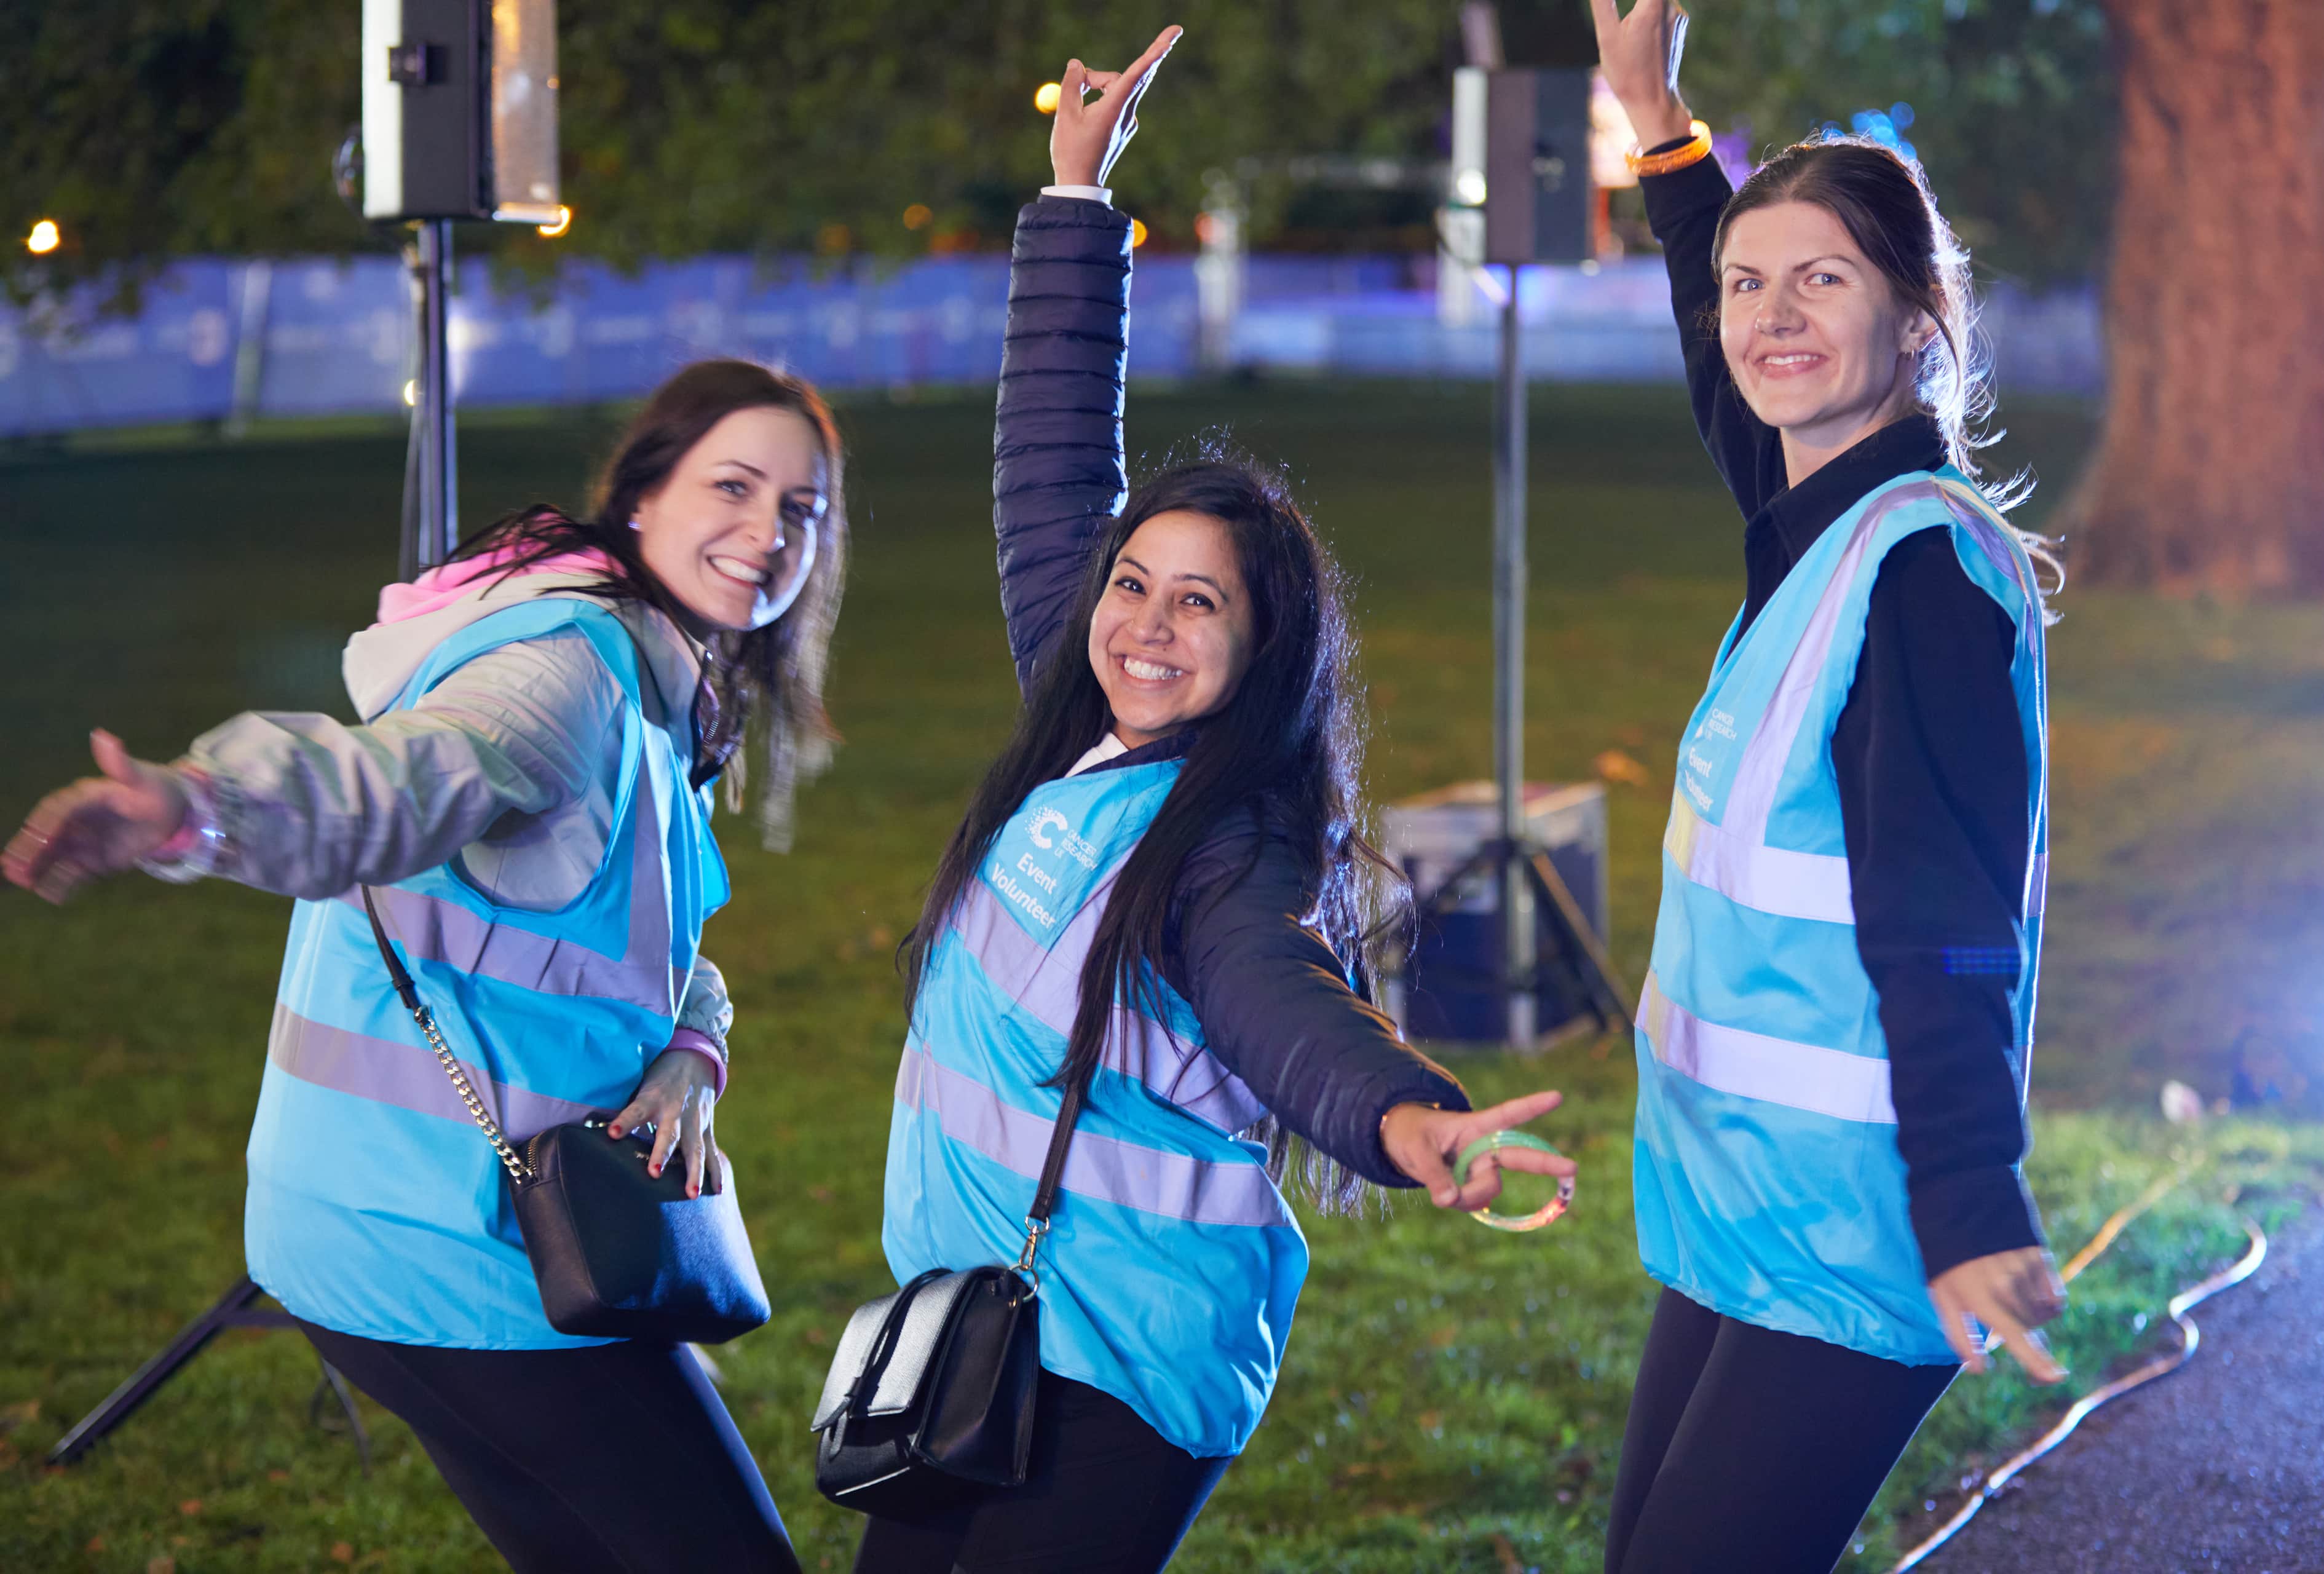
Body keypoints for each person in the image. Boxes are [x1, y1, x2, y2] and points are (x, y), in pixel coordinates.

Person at [852, 26, 1579, 1574]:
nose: (1148, 625)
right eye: (1133, 585)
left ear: (1262, 655)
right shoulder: (1085, 726)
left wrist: (1403, 1118)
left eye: (1203, 605)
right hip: (980, 1322)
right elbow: (1050, 462)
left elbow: (1273, 996)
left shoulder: (1236, 835)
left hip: (1119, 1360)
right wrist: (1073, 197)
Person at [2, 358, 848, 1573]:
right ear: (644, 493)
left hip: (381, 1231)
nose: (768, 532)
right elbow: (399, 783)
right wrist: (196, 809)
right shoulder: (566, 672)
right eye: (734, 484)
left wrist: (691, 1051)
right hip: (455, 1248)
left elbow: (643, 946)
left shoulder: (653, 679)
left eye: (801, 510)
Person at [1585, 3, 2070, 1571]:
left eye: (1824, 280)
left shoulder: (1921, 576)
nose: (1771, 316)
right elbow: (1733, 374)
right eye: (1750, 281)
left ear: (1917, 319)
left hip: (1864, 1227)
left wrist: (1974, 1203)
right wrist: (1660, 127)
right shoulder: (1819, 517)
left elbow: (1950, 923)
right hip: (1752, 1207)